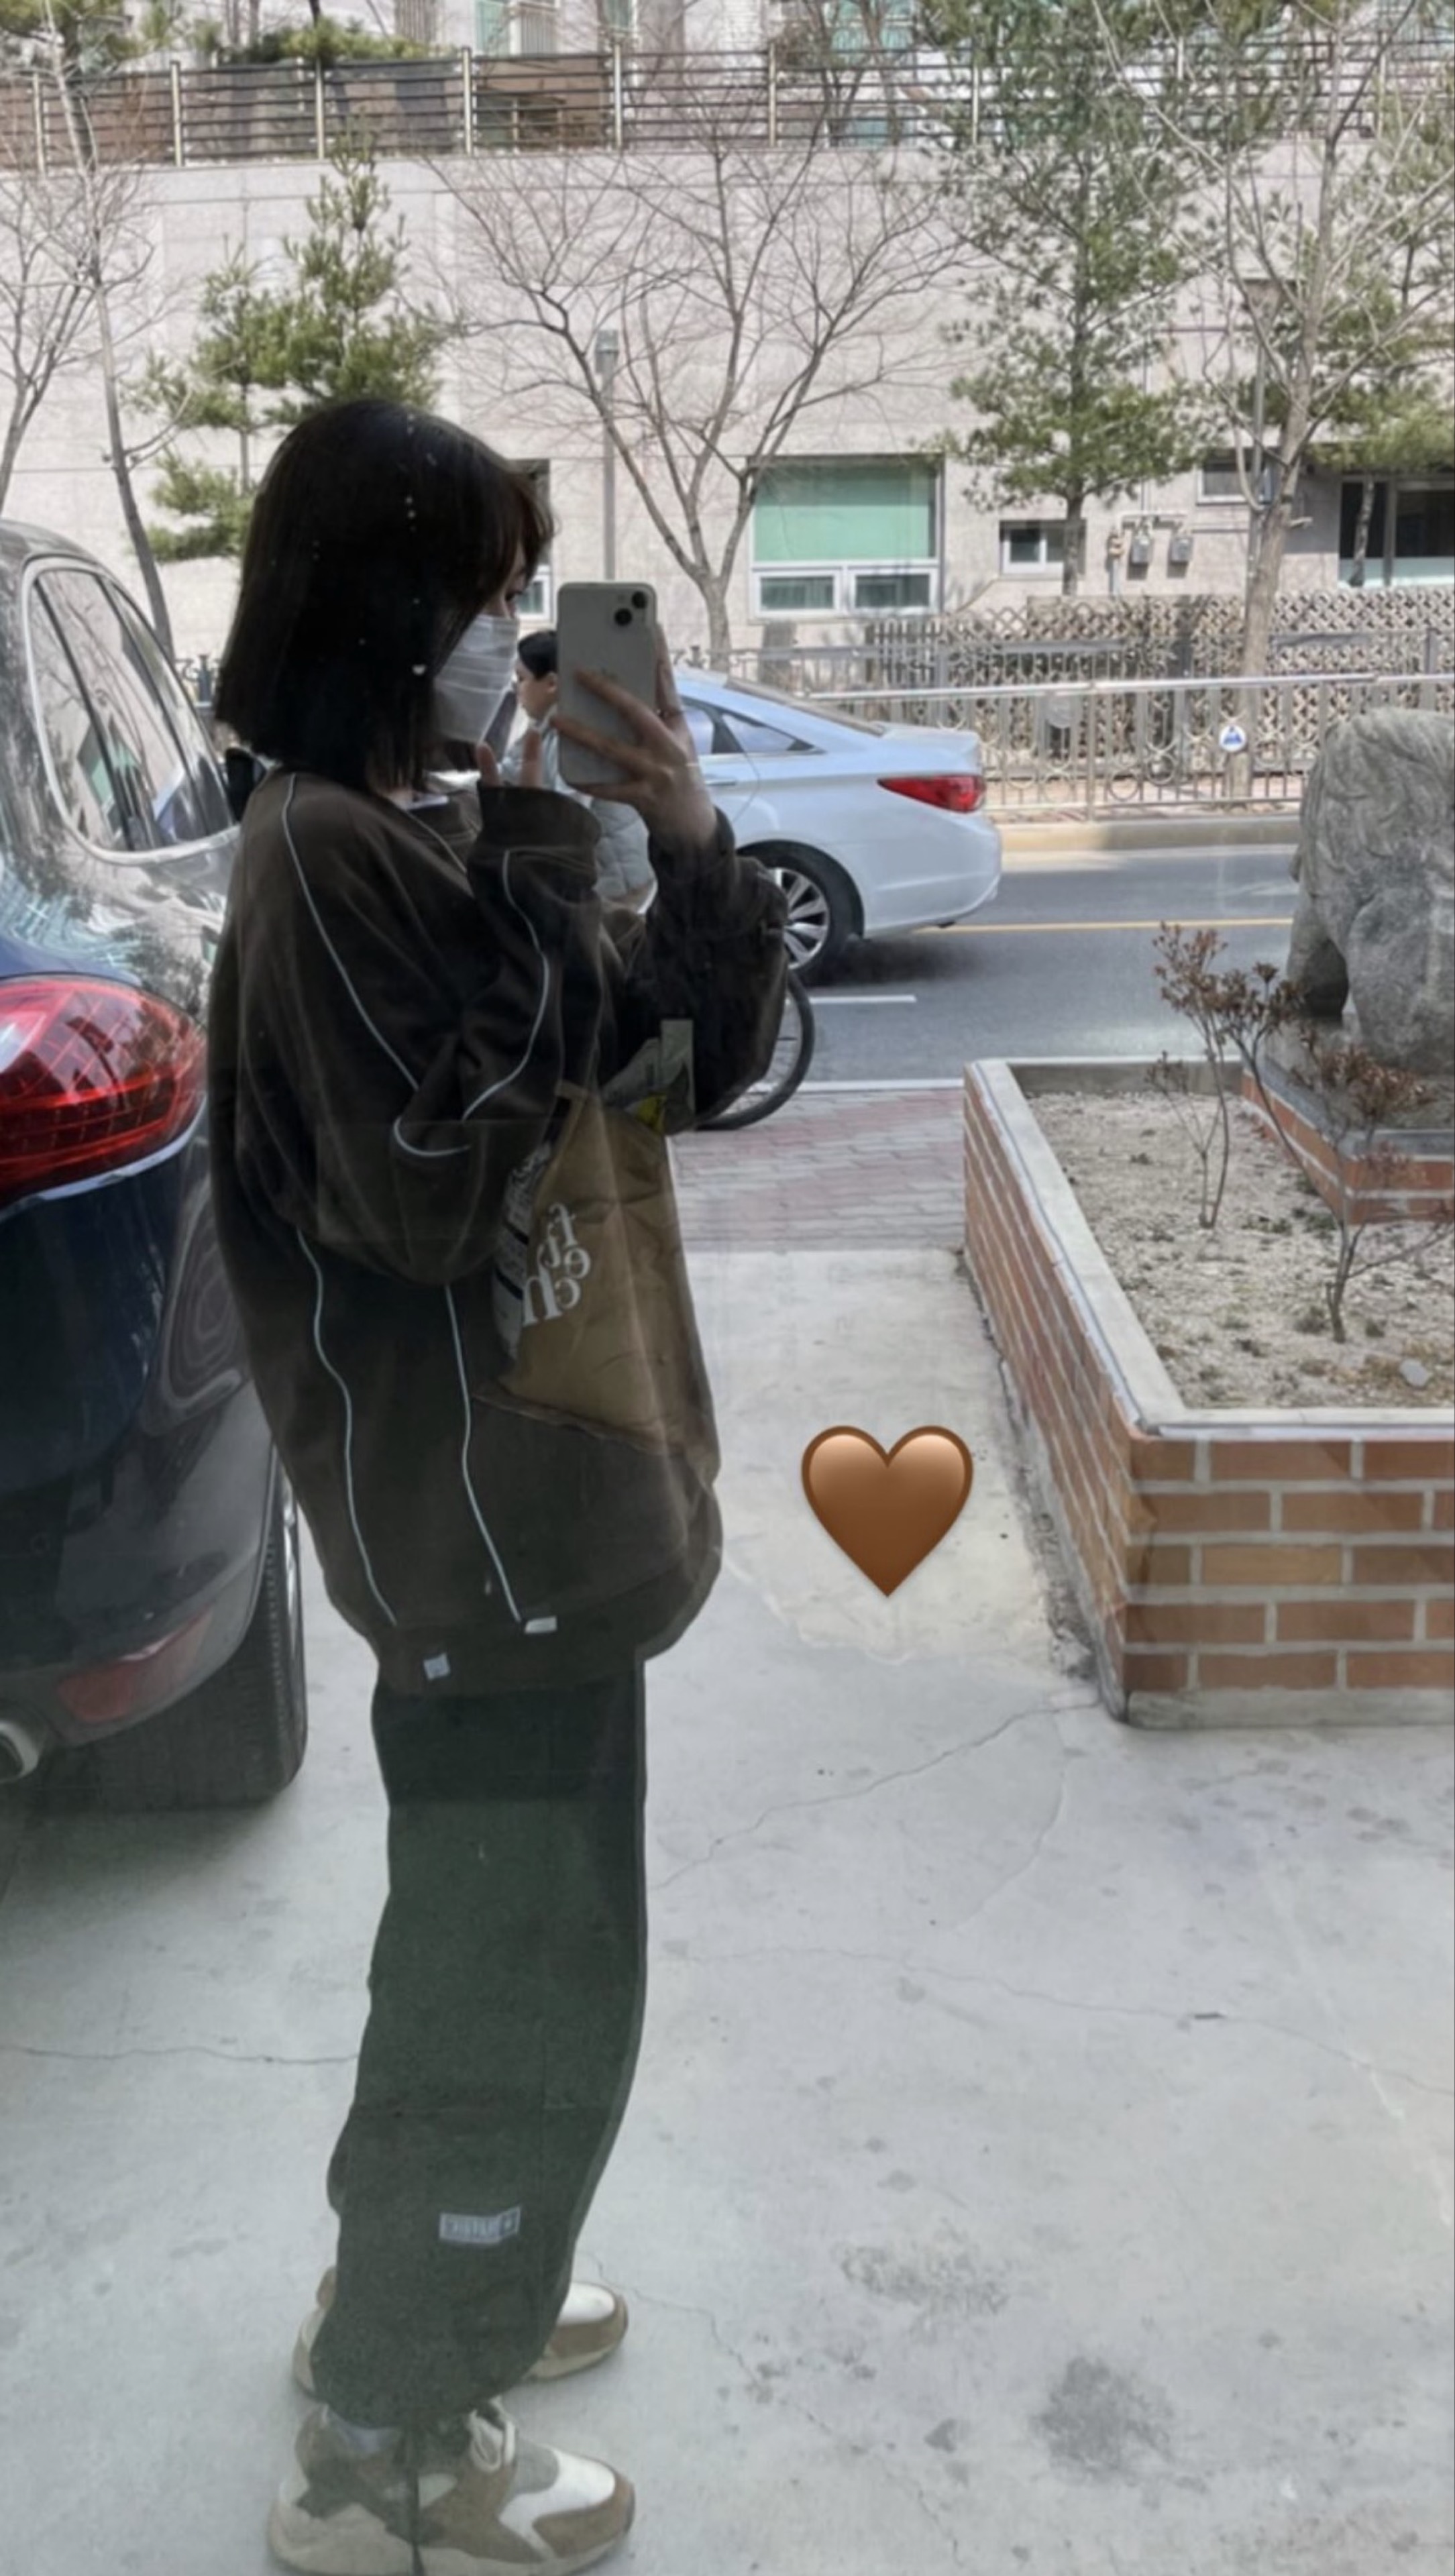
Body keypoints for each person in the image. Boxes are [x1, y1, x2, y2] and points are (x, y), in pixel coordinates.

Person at [206, 396, 788, 2576]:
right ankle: (382, 2444)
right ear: (382, 607)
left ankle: (443, 2291)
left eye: (531, 599)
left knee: (500, 1975)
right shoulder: (324, 857)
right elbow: (434, 1187)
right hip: (477, 1551)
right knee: (510, 2007)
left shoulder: (420, 832)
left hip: (540, 1522)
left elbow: (675, 1070)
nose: (516, 639)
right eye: (484, 595)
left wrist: (686, 845)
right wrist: (551, 874)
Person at [504, 627, 657, 910]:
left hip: (615, 888)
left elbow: (570, 815)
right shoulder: (549, 727)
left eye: (521, 679)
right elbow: (511, 770)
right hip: (608, 880)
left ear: (551, 683)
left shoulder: (572, 737)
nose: (517, 690)